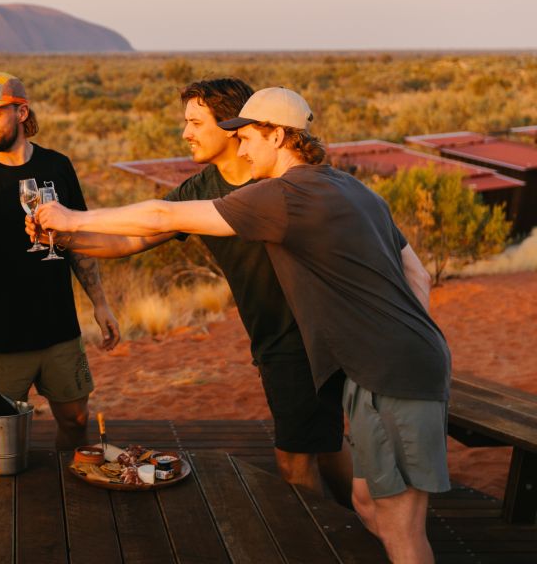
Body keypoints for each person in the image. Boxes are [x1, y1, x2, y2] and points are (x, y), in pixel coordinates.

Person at [37, 86, 450, 564]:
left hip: (390, 372)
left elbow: (159, 214)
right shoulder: (349, 186)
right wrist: (407, 339)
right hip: (383, 365)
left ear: (277, 136)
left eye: (249, 137)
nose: (244, 147)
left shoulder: (287, 195)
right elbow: (416, 274)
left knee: (402, 529)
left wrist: (70, 216)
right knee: (365, 502)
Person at [29, 78, 351, 503]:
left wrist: (72, 219)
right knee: (327, 446)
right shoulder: (202, 188)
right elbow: (132, 240)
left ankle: (321, 539)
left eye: (196, 122)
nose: (186, 133)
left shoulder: (280, 183)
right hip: (274, 337)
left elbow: (158, 216)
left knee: (295, 462)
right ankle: (362, 526)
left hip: (304, 340)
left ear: (234, 126)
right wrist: (62, 238)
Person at [0, 72, 120, 449]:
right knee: (1, 439)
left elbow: (79, 241)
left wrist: (101, 303)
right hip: (0, 336)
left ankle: (69, 492)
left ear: (21, 112)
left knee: (76, 422)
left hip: (59, 327)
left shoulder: (57, 167)